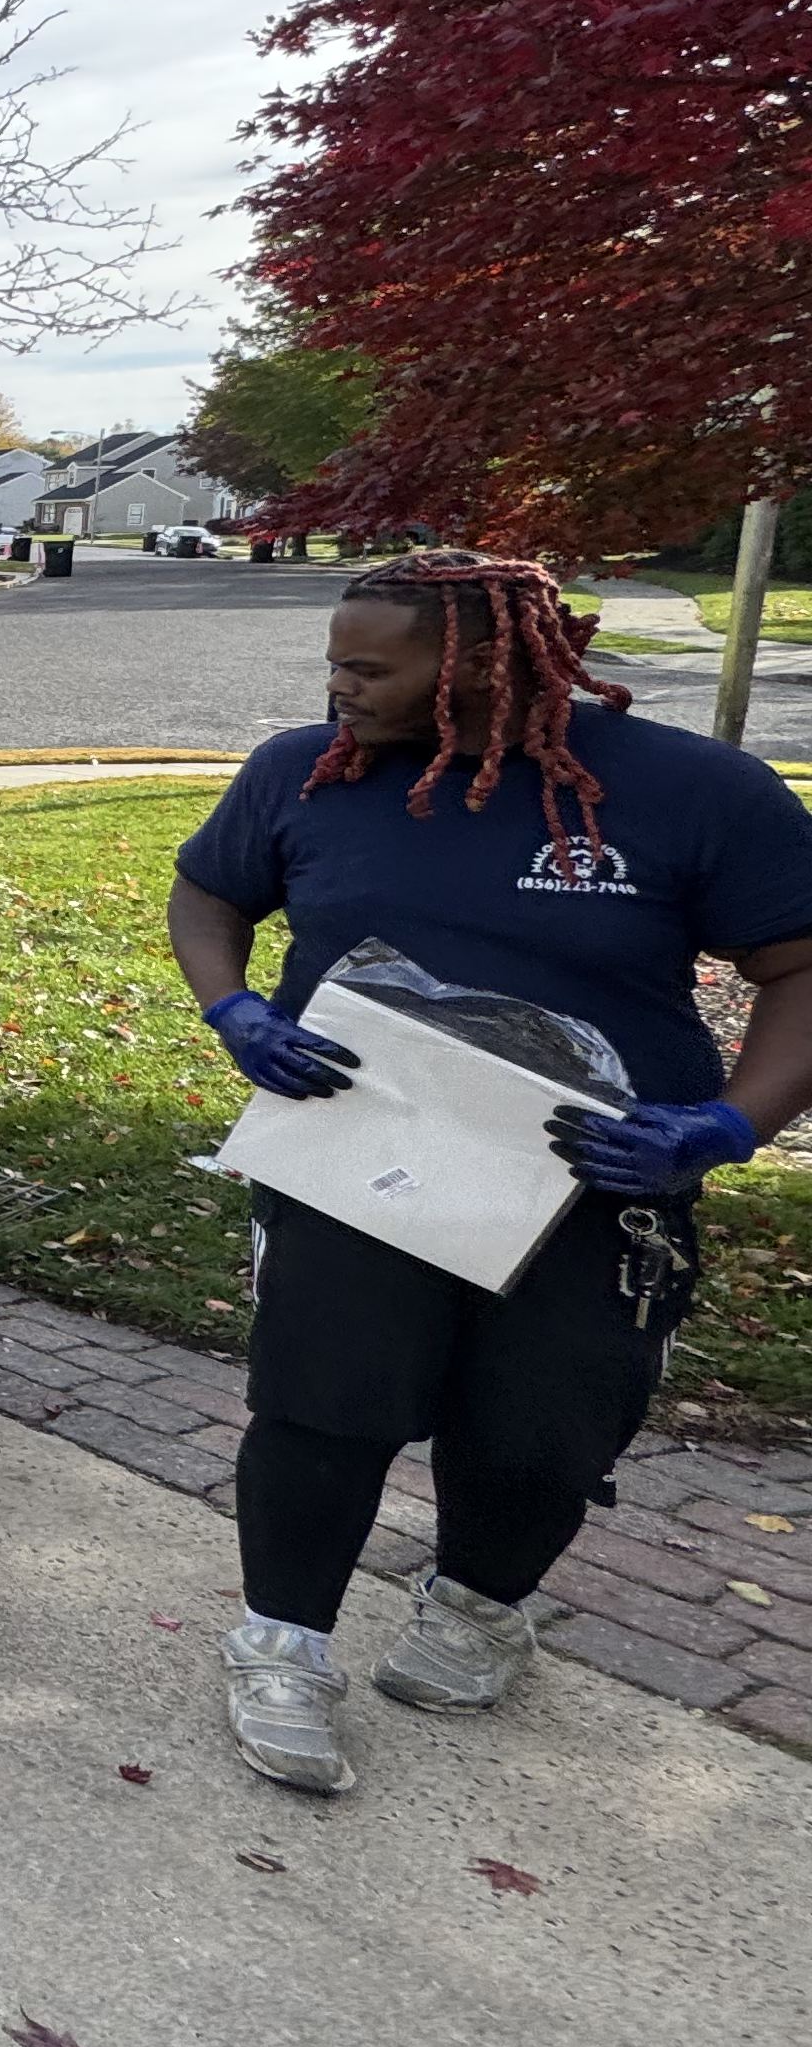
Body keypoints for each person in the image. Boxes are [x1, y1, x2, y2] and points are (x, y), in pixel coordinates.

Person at [170, 548, 812, 1794]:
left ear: (474, 666)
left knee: (542, 1429)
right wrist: (233, 1008)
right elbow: (207, 895)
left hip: (596, 1180)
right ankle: (283, 1645)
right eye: (336, 664)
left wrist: (729, 1126)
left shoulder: (690, 792)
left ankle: (478, 1606)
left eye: (369, 668)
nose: (339, 688)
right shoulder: (304, 774)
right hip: (362, 1154)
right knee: (323, 1401)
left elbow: (799, 969)